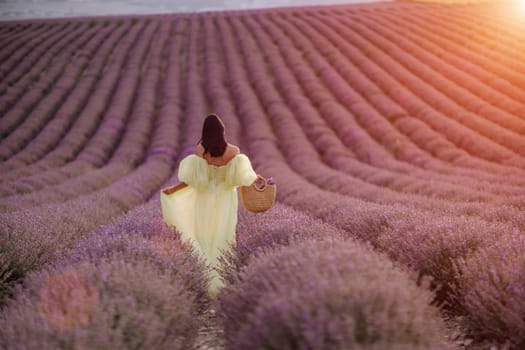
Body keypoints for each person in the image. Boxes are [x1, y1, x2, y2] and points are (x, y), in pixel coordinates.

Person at [160, 114, 257, 296]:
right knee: (223, 235)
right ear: (222, 131)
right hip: (225, 199)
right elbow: (243, 178)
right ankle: (221, 279)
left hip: (204, 198)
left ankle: (204, 279)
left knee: (202, 235)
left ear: (205, 131)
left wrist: (172, 190)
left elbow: (194, 181)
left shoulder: (201, 150)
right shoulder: (233, 152)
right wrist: (258, 181)